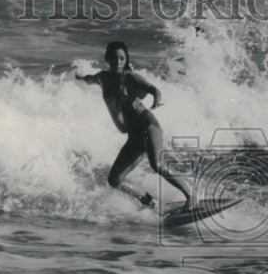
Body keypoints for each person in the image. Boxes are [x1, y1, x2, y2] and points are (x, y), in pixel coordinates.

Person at [74, 41, 192, 210]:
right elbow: (89, 79)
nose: (118, 62)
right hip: (134, 135)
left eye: (122, 58)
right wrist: (79, 76)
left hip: (148, 124)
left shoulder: (129, 76)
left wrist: (157, 100)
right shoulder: (103, 77)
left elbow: (154, 89)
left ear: (126, 59)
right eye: (114, 59)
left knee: (156, 164)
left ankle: (191, 195)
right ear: (107, 60)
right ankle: (148, 201)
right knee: (114, 180)